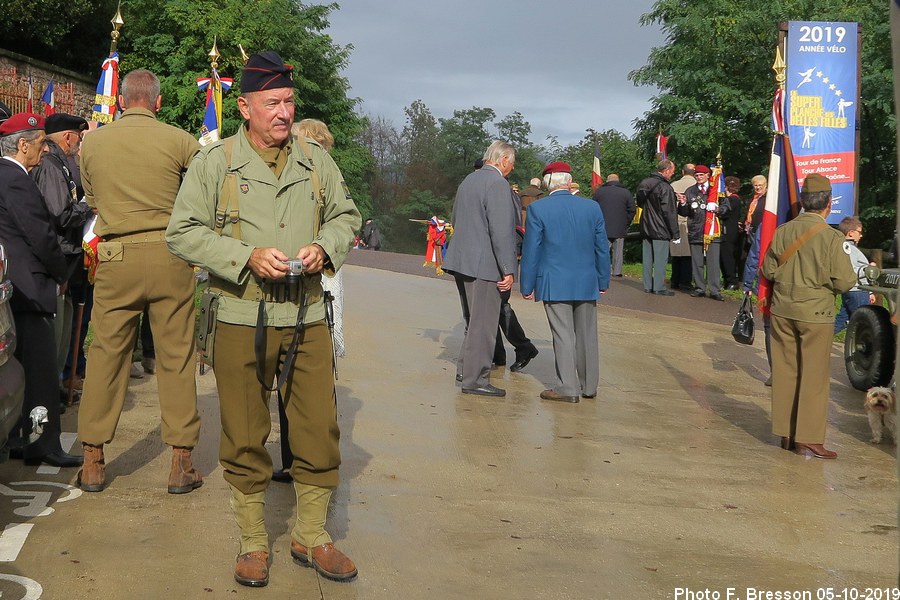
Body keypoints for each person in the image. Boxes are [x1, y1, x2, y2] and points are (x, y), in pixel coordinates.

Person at [166, 51, 361, 586]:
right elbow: (181, 231)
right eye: (272, 102)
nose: (284, 112)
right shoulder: (216, 162)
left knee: (318, 427)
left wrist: (325, 246)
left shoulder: (315, 160)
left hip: (307, 315)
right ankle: (253, 541)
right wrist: (245, 256)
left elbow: (347, 216)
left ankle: (311, 534)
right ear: (245, 107)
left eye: (289, 102)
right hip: (238, 315)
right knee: (245, 431)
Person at [77, 69, 203, 494]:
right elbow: (205, 188)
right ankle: (180, 462)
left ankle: (92, 460)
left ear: (120, 101)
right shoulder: (180, 140)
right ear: (158, 102)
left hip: (116, 255)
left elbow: (93, 201)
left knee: (106, 354)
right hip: (170, 254)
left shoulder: (93, 143)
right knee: (176, 356)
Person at [0, 112, 81, 467]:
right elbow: (41, 235)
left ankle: (19, 437)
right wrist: (61, 272)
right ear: (22, 145)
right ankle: (41, 443)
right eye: (40, 143)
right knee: (40, 372)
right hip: (30, 289)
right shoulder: (16, 179)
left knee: (17, 369)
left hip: (14, 285)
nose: (45, 149)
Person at [760, 173, 856, 459]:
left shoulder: (783, 231)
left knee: (785, 371)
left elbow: (768, 270)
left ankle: (786, 433)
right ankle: (809, 438)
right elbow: (844, 281)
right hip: (816, 313)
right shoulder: (832, 237)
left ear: (803, 201)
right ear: (828, 203)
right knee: (814, 376)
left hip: (782, 310)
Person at [520, 161, 610, 403]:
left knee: (563, 334)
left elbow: (532, 250)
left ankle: (567, 387)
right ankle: (589, 385)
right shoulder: (592, 207)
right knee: (587, 334)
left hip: (554, 279)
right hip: (587, 280)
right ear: (569, 182)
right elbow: (602, 248)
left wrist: (527, 285)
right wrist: (603, 279)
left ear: (547, 183)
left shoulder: (538, 209)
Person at [442, 140, 517, 397]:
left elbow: (455, 219)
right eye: (512, 163)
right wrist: (508, 268)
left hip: (463, 261)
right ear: (503, 160)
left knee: (473, 321)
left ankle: (466, 371)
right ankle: (475, 379)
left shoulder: (469, 180)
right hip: (484, 265)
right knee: (484, 325)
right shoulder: (497, 184)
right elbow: (501, 231)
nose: (512, 169)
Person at [29, 113, 91, 390]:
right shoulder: (52, 165)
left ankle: (54, 390)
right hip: (58, 256)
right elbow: (60, 213)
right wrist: (88, 207)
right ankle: (48, 393)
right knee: (55, 333)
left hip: (65, 256)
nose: (79, 143)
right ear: (68, 137)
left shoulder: (59, 163)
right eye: (78, 137)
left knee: (64, 330)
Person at [678, 164, 728, 301]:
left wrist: (718, 209)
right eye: (697, 175)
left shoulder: (716, 190)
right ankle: (699, 288)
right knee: (697, 262)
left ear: (707, 175)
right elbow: (684, 212)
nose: (699, 177)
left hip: (712, 231)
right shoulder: (690, 191)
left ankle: (714, 290)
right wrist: (682, 204)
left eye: (701, 175)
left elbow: (726, 207)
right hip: (695, 230)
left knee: (713, 263)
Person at [636, 159, 679, 295]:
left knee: (647, 258)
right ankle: (659, 287)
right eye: (672, 171)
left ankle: (647, 285)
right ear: (666, 171)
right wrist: (675, 232)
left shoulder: (644, 183)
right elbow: (669, 212)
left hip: (646, 225)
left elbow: (640, 203)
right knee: (660, 259)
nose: (673, 174)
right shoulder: (665, 187)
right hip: (661, 228)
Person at [833, 216, 874, 334]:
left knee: (843, 319)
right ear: (851, 233)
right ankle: (863, 344)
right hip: (857, 290)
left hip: (852, 289)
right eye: (859, 232)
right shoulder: (848, 249)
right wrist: (868, 269)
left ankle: (820, 339)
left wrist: (870, 292)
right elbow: (850, 270)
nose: (861, 235)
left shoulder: (846, 248)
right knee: (864, 322)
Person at [592, 173, 635, 278]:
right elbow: (632, 210)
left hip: (603, 226)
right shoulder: (625, 192)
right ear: (618, 181)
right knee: (618, 251)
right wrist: (626, 222)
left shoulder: (599, 192)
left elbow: (593, 209)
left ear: (607, 181)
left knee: (603, 250)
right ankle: (617, 271)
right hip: (620, 226)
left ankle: (603, 270)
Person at [668, 164, 695, 291]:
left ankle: (675, 280)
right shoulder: (696, 186)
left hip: (675, 222)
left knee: (676, 253)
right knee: (688, 254)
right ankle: (685, 281)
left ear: (683, 172)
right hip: (690, 223)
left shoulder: (673, 185)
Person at [719, 176, 743, 290]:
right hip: (731, 231)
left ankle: (731, 280)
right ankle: (728, 280)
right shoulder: (736, 199)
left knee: (727, 256)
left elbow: (723, 213)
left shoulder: (731, 199)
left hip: (728, 231)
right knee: (726, 256)